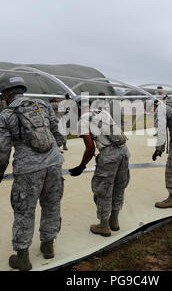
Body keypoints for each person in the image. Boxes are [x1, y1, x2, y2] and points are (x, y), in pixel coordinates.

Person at [0, 76, 65, 271]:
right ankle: (48, 246)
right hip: (54, 164)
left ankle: (23, 258)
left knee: (24, 211)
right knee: (52, 205)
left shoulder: (6, 115)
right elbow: (59, 134)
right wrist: (52, 152)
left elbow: (2, 149)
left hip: (28, 170)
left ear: (6, 93)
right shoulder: (43, 105)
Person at [68, 100, 130, 238]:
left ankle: (103, 225)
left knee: (103, 190)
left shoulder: (83, 121)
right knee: (118, 188)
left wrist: (81, 166)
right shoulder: (104, 112)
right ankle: (114, 220)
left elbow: (90, 148)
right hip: (124, 152)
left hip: (108, 156)